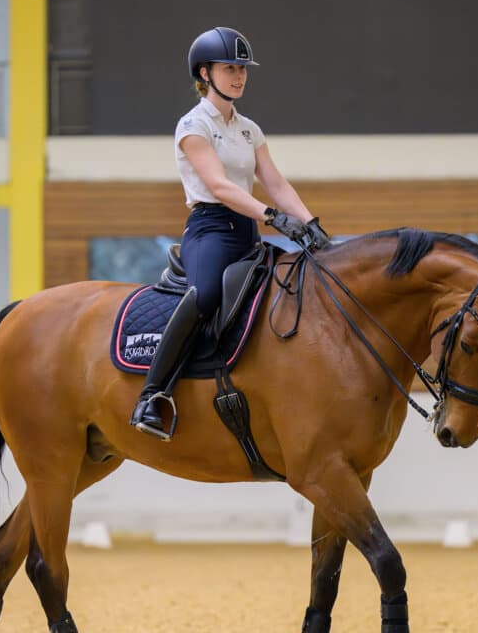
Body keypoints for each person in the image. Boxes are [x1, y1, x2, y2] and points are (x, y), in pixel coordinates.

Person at [129, 26, 331, 439]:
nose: (238, 76)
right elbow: (220, 187)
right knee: (203, 296)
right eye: (229, 68)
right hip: (210, 229)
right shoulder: (192, 125)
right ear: (204, 73)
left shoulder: (249, 129)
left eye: (243, 69)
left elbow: (275, 181)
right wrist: (273, 217)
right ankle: (151, 396)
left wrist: (310, 224)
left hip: (246, 232)